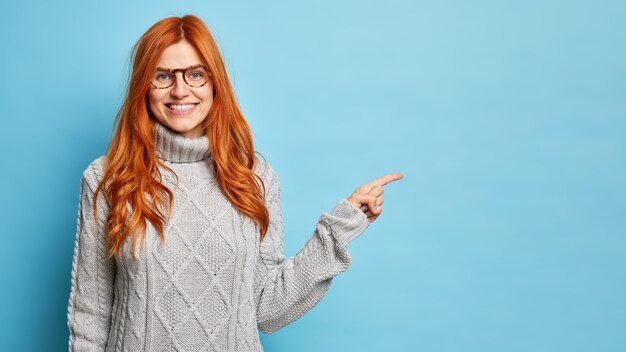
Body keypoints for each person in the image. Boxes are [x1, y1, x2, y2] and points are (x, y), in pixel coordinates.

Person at [66, 14, 403, 352]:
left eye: (196, 75)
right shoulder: (107, 178)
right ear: (144, 86)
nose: (180, 90)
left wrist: (338, 230)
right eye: (163, 76)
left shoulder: (254, 177)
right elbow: (90, 316)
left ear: (215, 83)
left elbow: (269, 309)